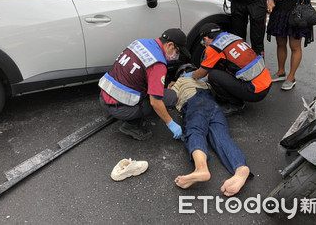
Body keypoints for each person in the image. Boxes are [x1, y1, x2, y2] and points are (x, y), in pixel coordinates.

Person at [170, 64, 251, 196]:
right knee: (222, 139)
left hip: (194, 103)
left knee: (195, 131)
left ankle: (201, 168)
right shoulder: (204, 80)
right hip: (213, 106)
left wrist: (171, 86)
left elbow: (170, 97)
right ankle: (241, 167)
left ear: (182, 72)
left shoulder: (181, 80)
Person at [98, 28, 191, 141]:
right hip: (120, 108)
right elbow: (155, 102)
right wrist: (170, 123)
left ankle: (127, 114)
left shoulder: (141, 42)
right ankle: (131, 125)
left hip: (104, 95)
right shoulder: (158, 64)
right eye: (177, 51)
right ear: (170, 45)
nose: (176, 55)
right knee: (170, 97)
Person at [182, 23, 271, 116]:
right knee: (218, 66)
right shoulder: (232, 37)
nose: (204, 44)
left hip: (255, 91)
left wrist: (189, 75)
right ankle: (230, 95)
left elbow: (200, 74)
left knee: (213, 75)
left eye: (204, 41)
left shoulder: (214, 47)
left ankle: (236, 104)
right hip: (265, 82)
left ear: (206, 38)